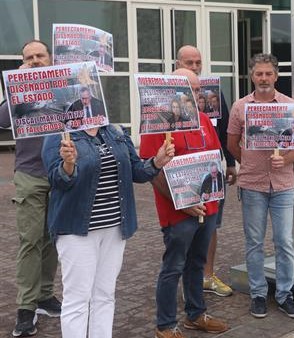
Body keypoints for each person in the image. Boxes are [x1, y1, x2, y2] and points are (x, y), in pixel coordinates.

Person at [42, 124, 174, 338]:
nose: (88, 96)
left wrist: (157, 162)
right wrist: (68, 164)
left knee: (105, 295)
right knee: (77, 298)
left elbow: (136, 171)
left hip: (114, 227)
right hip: (76, 230)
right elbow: (57, 181)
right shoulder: (59, 133)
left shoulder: (115, 131)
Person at [140, 68, 229, 338]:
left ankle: (196, 314)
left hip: (208, 206)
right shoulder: (158, 122)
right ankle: (165, 325)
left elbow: (214, 159)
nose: (195, 94)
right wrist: (182, 203)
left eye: (198, 90)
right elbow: (150, 171)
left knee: (197, 263)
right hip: (177, 213)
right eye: (189, 89)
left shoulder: (203, 119)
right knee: (174, 266)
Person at [227, 53, 294, 319]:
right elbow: (231, 143)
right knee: (254, 242)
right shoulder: (240, 107)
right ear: (252, 75)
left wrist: (283, 161)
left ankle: (285, 294)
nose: (263, 78)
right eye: (259, 73)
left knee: (284, 241)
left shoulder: (291, 106)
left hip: (283, 184)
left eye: (268, 74)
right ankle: (258, 294)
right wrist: (248, 161)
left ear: (276, 75)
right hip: (252, 184)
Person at [0, 40, 62, 337]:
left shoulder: (64, 84)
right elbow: (1, 120)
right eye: (29, 57)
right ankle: (25, 308)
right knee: (30, 240)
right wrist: (16, 85)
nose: (35, 60)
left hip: (62, 171)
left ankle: (45, 295)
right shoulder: (18, 89)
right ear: (23, 61)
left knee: (53, 238)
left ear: (50, 58)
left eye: (40, 55)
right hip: (30, 173)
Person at [176, 45, 235, 297]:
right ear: (178, 64)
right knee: (182, 230)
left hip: (211, 171)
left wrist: (230, 163)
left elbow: (223, 129)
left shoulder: (212, 91)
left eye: (198, 62)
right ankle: (185, 278)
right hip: (181, 175)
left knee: (211, 227)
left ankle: (207, 276)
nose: (195, 66)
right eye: (189, 62)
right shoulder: (166, 99)